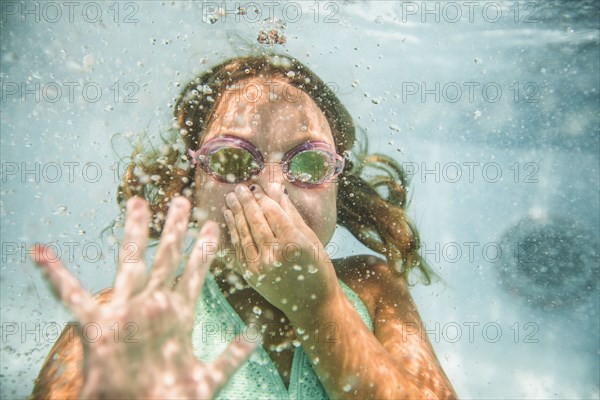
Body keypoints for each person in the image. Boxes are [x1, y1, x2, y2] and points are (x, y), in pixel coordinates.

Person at [30, 53, 458, 399]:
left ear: (336, 189)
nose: (272, 190)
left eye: (308, 163)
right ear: (191, 186)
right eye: (233, 161)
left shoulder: (372, 287)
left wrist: (319, 305)